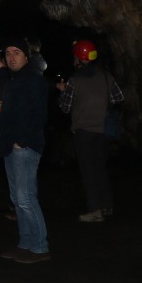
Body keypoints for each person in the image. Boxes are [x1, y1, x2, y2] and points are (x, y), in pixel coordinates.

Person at [0, 37, 50, 263]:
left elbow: (38, 115)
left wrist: (22, 141)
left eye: (16, 52)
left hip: (23, 147)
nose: (12, 57)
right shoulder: (18, 79)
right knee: (18, 199)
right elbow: (17, 110)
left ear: (26, 55)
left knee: (25, 199)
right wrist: (1, 111)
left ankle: (40, 247)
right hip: (12, 146)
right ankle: (26, 244)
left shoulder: (32, 79)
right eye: (8, 53)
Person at [60, 39, 120, 223]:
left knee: (88, 171)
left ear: (79, 58)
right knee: (100, 168)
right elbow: (118, 98)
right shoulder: (105, 76)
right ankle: (106, 205)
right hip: (102, 130)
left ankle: (95, 210)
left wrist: (63, 91)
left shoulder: (74, 81)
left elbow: (65, 107)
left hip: (84, 132)